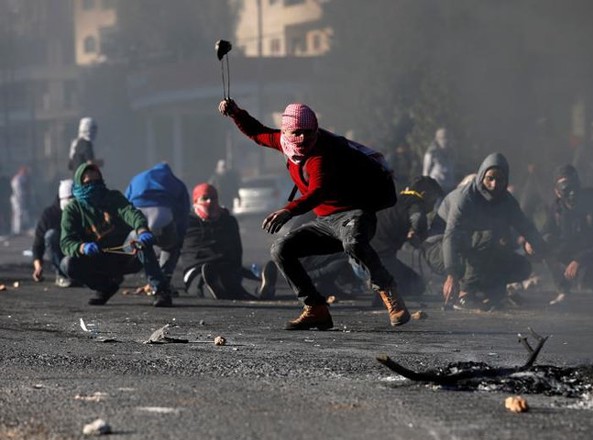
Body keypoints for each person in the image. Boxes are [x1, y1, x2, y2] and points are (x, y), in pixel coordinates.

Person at [219, 99, 410, 330]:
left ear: (316, 131)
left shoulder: (321, 154)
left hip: (355, 214)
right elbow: (258, 132)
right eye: (296, 133)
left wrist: (288, 211)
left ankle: (388, 290)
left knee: (354, 243)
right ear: (285, 131)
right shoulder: (285, 142)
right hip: (326, 221)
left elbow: (319, 191)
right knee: (281, 249)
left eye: (308, 133)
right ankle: (315, 308)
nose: (302, 139)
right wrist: (236, 113)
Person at [434, 153, 546, 310]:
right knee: (488, 238)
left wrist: (539, 246)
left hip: (468, 248)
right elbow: (450, 237)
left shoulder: (506, 200)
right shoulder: (465, 199)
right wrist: (451, 274)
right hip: (439, 248)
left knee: (521, 266)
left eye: (500, 180)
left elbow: (525, 225)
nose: (494, 185)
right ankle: (465, 292)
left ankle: (487, 290)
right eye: (490, 179)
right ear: (481, 177)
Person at [60, 163, 173, 307]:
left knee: (137, 237)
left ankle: (160, 290)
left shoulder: (112, 197)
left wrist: (142, 230)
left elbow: (130, 213)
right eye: (88, 183)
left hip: (124, 254)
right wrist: (82, 247)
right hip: (95, 258)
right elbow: (66, 242)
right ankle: (105, 287)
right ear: (79, 184)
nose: (93, 186)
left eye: (96, 181)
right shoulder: (73, 209)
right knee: (67, 264)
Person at [537, 164, 593, 304]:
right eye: (566, 189)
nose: (572, 193)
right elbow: (546, 231)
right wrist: (530, 242)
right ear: (558, 192)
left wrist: (579, 260)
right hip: (574, 253)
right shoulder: (557, 209)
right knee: (546, 242)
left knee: (591, 280)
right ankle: (563, 290)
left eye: (575, 187)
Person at [180, 183, 278, 300]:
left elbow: (237, 248)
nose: (210, 202)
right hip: (197, 268)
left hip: (225, 265)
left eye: (213, 198)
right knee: (202, 281)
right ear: (196, 201)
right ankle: (214, 288)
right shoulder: (186, 222)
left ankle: (261, 288)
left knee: (238, 278)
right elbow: (172, 247)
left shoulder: (228, 220)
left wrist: (235, 266)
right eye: (205, 198)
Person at [370, 176, 443, 298]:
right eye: (433, 200)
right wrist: (421, 234)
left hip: (367, 253)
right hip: (380, 258)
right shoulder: (415, 203)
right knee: (416, 284)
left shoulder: (397, 200)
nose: (433, 205)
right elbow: (417, 218)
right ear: (424, 194)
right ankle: (384, 295)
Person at [125, 162, 190, 288]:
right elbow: (183, 212)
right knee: (171, 245)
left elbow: (125, 201)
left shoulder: (138, 177)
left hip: (138, 212)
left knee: (133, 244)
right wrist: (180, 237)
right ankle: (163, 279)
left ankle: (119, 271)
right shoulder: (175, 181)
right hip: (162, 215)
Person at [32, 179, 74, 287]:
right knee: (51, 235)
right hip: (63, 256)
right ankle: (62, 275)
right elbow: (38, 244)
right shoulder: (49, 215)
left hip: (80, 254)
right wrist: (38, 267)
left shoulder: (84, 210)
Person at [422, 127, 456, 192]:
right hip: (436, 187)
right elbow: (426, 172)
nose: (445, 141)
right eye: (442, 138)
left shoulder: (452, 153)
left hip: (450, 187)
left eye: (447, 138)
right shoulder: (431, 153)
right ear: (437, 139)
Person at [10, 165, 31, 235]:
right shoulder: (18, 179)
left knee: (20, 213)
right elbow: (18, 190)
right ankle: (16, 230)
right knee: (18, 213)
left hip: (20, 198)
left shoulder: (21, 178)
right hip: (17, 198)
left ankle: (18, 229)